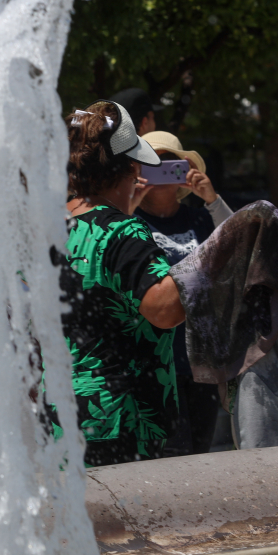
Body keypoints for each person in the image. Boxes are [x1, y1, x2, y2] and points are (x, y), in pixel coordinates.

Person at [61, 100, 186, 466]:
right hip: (121, 417)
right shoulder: (122, 232)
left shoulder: (49, 229)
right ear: (131, 168)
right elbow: (164, 309)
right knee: (129, 522)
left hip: (60, 413)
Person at [133, 131, 233, 455]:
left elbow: (237, 250)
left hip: (200, 360)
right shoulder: (130, 222)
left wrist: (212, 200)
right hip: (154, 362)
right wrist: (130, 202)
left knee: (200, 455)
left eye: (169, 163)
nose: (161, 168)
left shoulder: (201, 217)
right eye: (152, 163)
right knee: (165, 458)